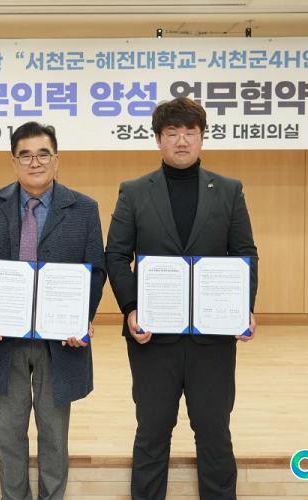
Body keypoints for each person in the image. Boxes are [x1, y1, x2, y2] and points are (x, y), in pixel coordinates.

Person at [105, 97, 258, 500]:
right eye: (172, 133)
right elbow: (116, 255)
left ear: (203, 137)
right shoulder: (134, 192)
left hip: (214, 336)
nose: (182, 141)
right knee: (152, 432)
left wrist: (243, 308)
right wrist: (131, 308)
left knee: (214, 432)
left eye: (191, 132)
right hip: (152, 336)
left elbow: (245, 253)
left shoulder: (229, 190)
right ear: (158, 140)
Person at [0, 121, 106, 500]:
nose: (35, 162)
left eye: (43, 154)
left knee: (54, 435)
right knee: (8, 434)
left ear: (56, 159)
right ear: (13, 161)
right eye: (25, 155)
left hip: (60, 340)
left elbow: (96, 269)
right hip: (3, 339)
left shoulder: (84, 208)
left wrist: (81, 318)